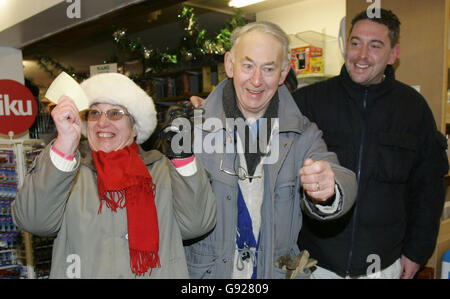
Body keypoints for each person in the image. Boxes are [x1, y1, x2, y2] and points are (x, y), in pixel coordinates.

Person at [184, 21, 357, 279]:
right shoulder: (194, 129)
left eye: (268, 69)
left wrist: (329, 188)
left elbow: (340, 176)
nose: (256, 80)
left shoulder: (302, 134)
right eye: (248, 65)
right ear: (230, 65)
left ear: (283, 72)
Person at [293, 9, 449, 279]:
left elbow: (428, 187)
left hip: (382, 266)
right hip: (314, 264)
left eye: (375, 46)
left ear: (393, 54)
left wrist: (417, 251)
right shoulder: (308, 102)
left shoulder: (413, 109)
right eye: (355, 42)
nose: (361, 55)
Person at [12, 73, 216, 279]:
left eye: (115, 113)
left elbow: (197, 225)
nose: (102, 122)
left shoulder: (163, 172)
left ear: (135, 127)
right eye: (94, 113)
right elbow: (32, 220)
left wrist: (182, 157)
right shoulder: (67, 171)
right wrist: (64, 143)